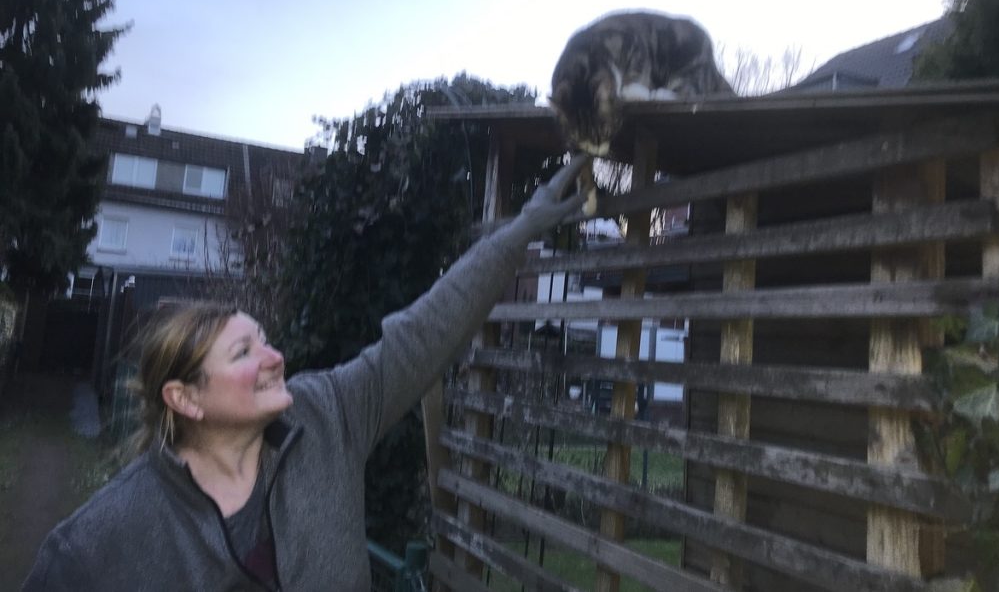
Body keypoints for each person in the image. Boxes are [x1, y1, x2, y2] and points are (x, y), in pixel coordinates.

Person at [22, 156, 590, 591]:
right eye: (245, 354)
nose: (275, 358)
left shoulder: (327, 415)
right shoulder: (96, 544)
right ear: (185, 398)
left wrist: (520, 232)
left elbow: (425, 333)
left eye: (265, 341)